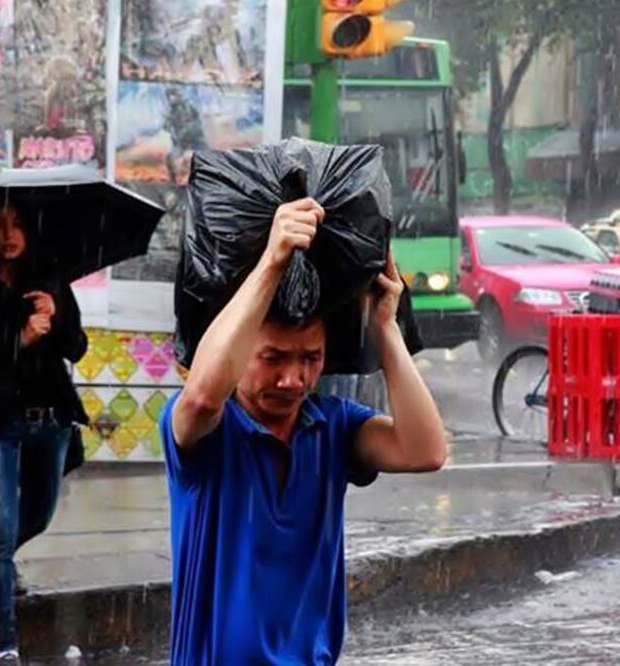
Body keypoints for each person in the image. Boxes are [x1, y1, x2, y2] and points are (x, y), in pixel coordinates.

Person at [162, 198, 447, 664]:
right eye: (272, 358)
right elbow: (200, 396)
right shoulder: (207, 430)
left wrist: (386, 328)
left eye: (310, 359)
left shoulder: (334, 426)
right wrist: (272, 262)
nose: (293, 380)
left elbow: (426, 451)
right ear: (239, 353)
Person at [0, 203, 88, 662]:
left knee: (37, 518)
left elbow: (77, 348)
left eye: (17, 224)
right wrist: (22, 337)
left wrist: (58, 313)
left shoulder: (47, 277)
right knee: (2, 529)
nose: (9, 234)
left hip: (49, 421)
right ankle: (5, 644)